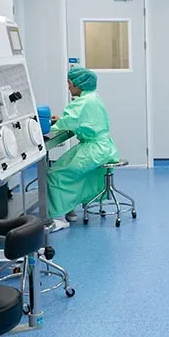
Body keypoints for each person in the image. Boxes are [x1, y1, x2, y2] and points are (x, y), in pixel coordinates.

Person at [46, 67, 119, 230]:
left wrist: (48, 126)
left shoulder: (82, 102)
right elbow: (80, 119)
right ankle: (69, 209)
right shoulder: (93, 97)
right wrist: (62, 119)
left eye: (69, 83)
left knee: (56, 174)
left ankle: (59, 218)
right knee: (69, 171)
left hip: (93, 149)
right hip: (103, 147)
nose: (68, 87)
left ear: (78, 84)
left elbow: (69, 122)